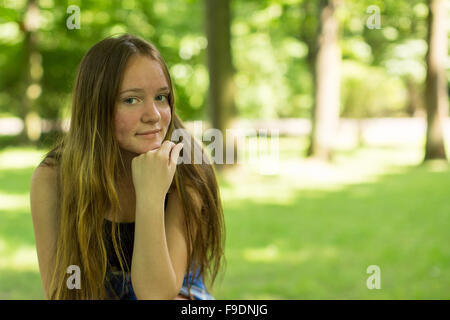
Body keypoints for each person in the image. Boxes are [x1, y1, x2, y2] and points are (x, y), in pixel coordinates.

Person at [29, 34, 226, 300]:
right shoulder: (55, 177)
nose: (153, 115)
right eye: (131, 100)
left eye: (161, 97)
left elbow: (158, 296)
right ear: (96, 107)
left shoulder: (187, 167)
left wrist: (151, 195)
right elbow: (62, 293)